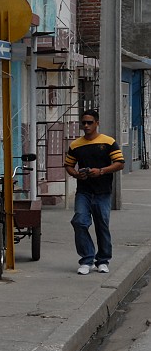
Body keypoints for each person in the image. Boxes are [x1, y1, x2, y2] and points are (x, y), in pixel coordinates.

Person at [64, 109, 125, 275]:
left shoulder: (108, 142)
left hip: (103, 192)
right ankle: (87, 259)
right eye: (83, 122)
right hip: (83, 191)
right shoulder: (76, 145)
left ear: (97, 123)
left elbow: (120, 163)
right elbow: (69, 165)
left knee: (102, 225)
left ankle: (103, 260)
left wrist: (101, 171)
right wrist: (76, 173)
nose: (86, 125)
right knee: (79, 222)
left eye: (89, 122)